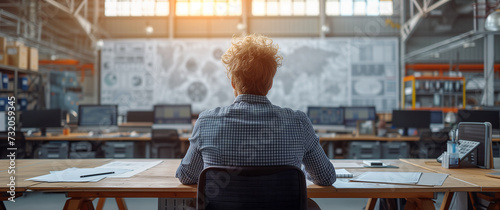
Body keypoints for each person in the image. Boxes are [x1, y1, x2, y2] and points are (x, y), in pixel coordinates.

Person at [176, 34, 336, 187]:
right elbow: (326, 177)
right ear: (270, 83)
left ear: (233, 82)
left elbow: (186, 176)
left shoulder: (206, 122)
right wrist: (300, 170)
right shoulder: (299, 122)